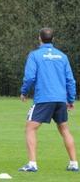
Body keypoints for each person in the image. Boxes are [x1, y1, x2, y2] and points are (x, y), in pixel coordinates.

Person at [19, 27, 78, 172]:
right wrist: (70, 99)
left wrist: (24, 92)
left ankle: (32, 164)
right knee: (64, 129)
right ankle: (74, 163)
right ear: (53, 39)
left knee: (30, 128)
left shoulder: (35, 55)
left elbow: (30, 77)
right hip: (60, 99)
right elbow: (70, 80)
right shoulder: (62, 56)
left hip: (44, 99)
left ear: (39, 38)